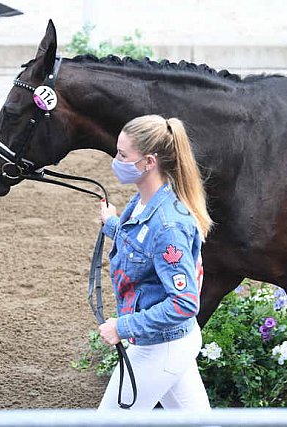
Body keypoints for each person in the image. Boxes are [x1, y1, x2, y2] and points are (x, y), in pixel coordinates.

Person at [97, 114, 213, 411]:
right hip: (171, 342)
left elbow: (184, 303)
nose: (116, 160)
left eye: (123, 155)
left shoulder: (168, 225)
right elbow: (141, 248)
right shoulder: (143, 202)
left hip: (160, 347)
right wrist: (112, 224)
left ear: (149, 162)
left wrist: (123, 326)